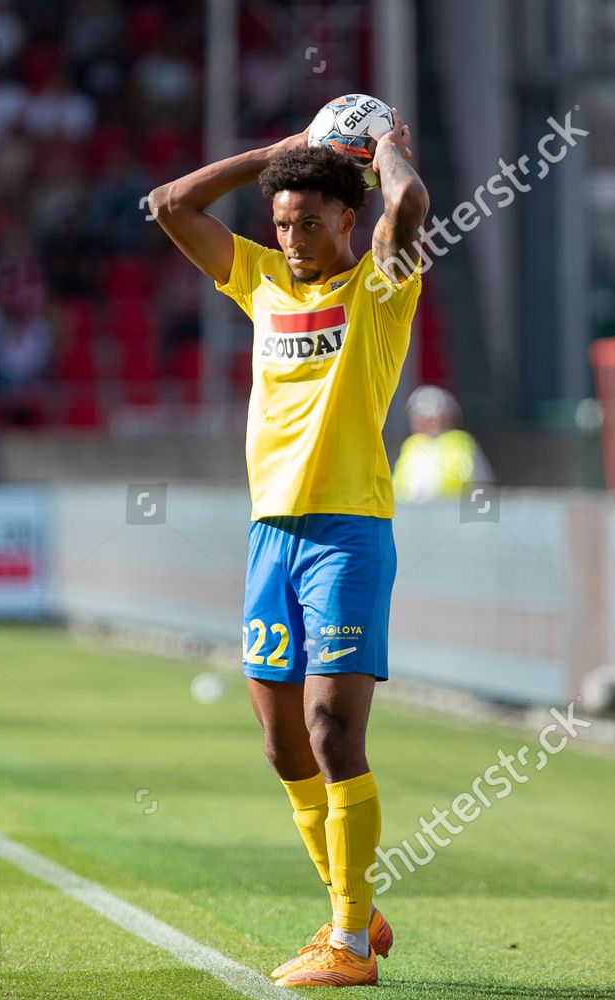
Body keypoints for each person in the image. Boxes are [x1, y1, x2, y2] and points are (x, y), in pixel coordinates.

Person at [149, 114, 427, 987]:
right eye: (282, 222)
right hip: (271, 536)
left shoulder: (383, 285)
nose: (293, 238)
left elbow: (410, 200)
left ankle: (346, 944)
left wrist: (384, 146)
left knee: (331, 730)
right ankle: (354, 903)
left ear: (350, 219)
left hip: (349, 533)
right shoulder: (263, 282)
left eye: (310, 221)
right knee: (281, 748)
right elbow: (166, 204)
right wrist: (270, 159)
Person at [391, 385, 493, 503]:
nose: (427, 425)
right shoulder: (410, 447)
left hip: (453, 515)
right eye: (420, 419)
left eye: (432, 420)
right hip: (415, 517)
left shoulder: (461, 443)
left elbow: (483, 485)